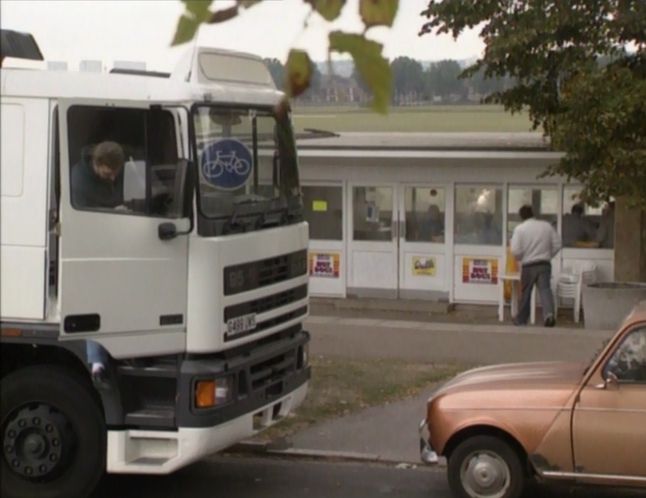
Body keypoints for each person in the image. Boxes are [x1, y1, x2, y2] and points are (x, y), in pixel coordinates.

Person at [510, 204, 562, 327]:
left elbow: (515, 251)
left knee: (526, 292)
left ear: (521, 216)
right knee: (545, 290)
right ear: (533, 213)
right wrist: (548, 255)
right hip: (544, 264)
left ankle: (521, 319)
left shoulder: (520, 229)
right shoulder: (546, 226)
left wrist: (520, 258)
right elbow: (558, 244)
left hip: (528, 265)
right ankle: (549, 315)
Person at [71, 140, 125, 209]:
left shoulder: (118, 163)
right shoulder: (78, 182)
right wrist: (113, 211)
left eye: (116, 173)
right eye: (107, 174)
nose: (113, 178)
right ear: (96, 164)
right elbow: (84, 214)